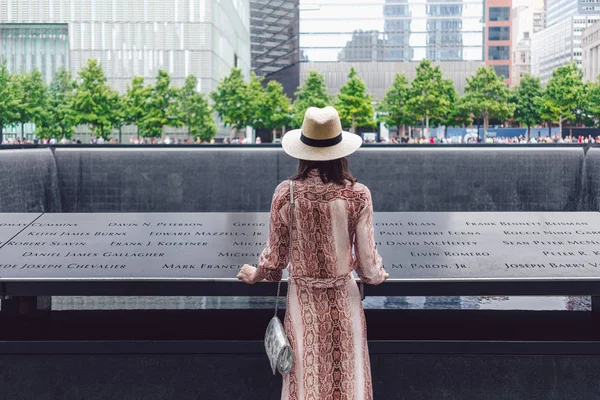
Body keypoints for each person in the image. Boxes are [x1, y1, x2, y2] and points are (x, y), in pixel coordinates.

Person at [237, 106, 388, 400]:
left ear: (303, 151)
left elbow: (275, 259)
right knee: (348, 379)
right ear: (342, 150)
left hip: (302, 301)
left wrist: (256, 274)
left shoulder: (286, 193)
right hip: (344, 300)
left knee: (305, 381)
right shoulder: (358, 194)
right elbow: (369, 268)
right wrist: (379, 275)